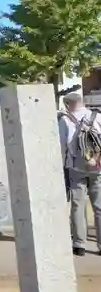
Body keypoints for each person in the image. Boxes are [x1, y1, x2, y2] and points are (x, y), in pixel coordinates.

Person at [59, 93, 101, 257]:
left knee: (78, 205)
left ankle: (79, 245)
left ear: (68, 104)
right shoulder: (97, 116)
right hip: (97, 168)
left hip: (75, 168)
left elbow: (62, 146)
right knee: (99, 207)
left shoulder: (65, 120)